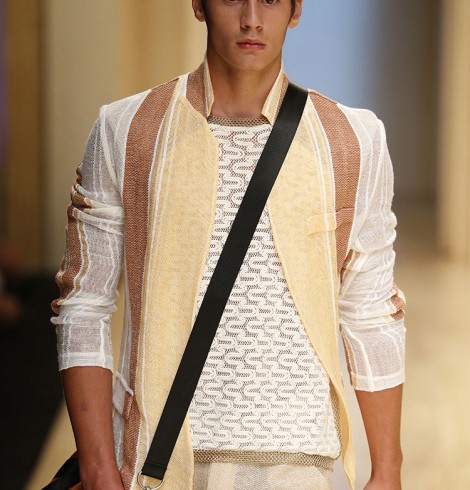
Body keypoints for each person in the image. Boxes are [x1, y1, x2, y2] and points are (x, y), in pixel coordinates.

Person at [51, 1, 406, 489]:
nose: (252, 18)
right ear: (198, 5)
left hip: (299, 466)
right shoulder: (127, 130)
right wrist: (97, 470)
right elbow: (83, 303)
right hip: (154, 461)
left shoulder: (352, 139)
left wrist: (387, 470)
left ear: (296, 9)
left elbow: (371, 311)